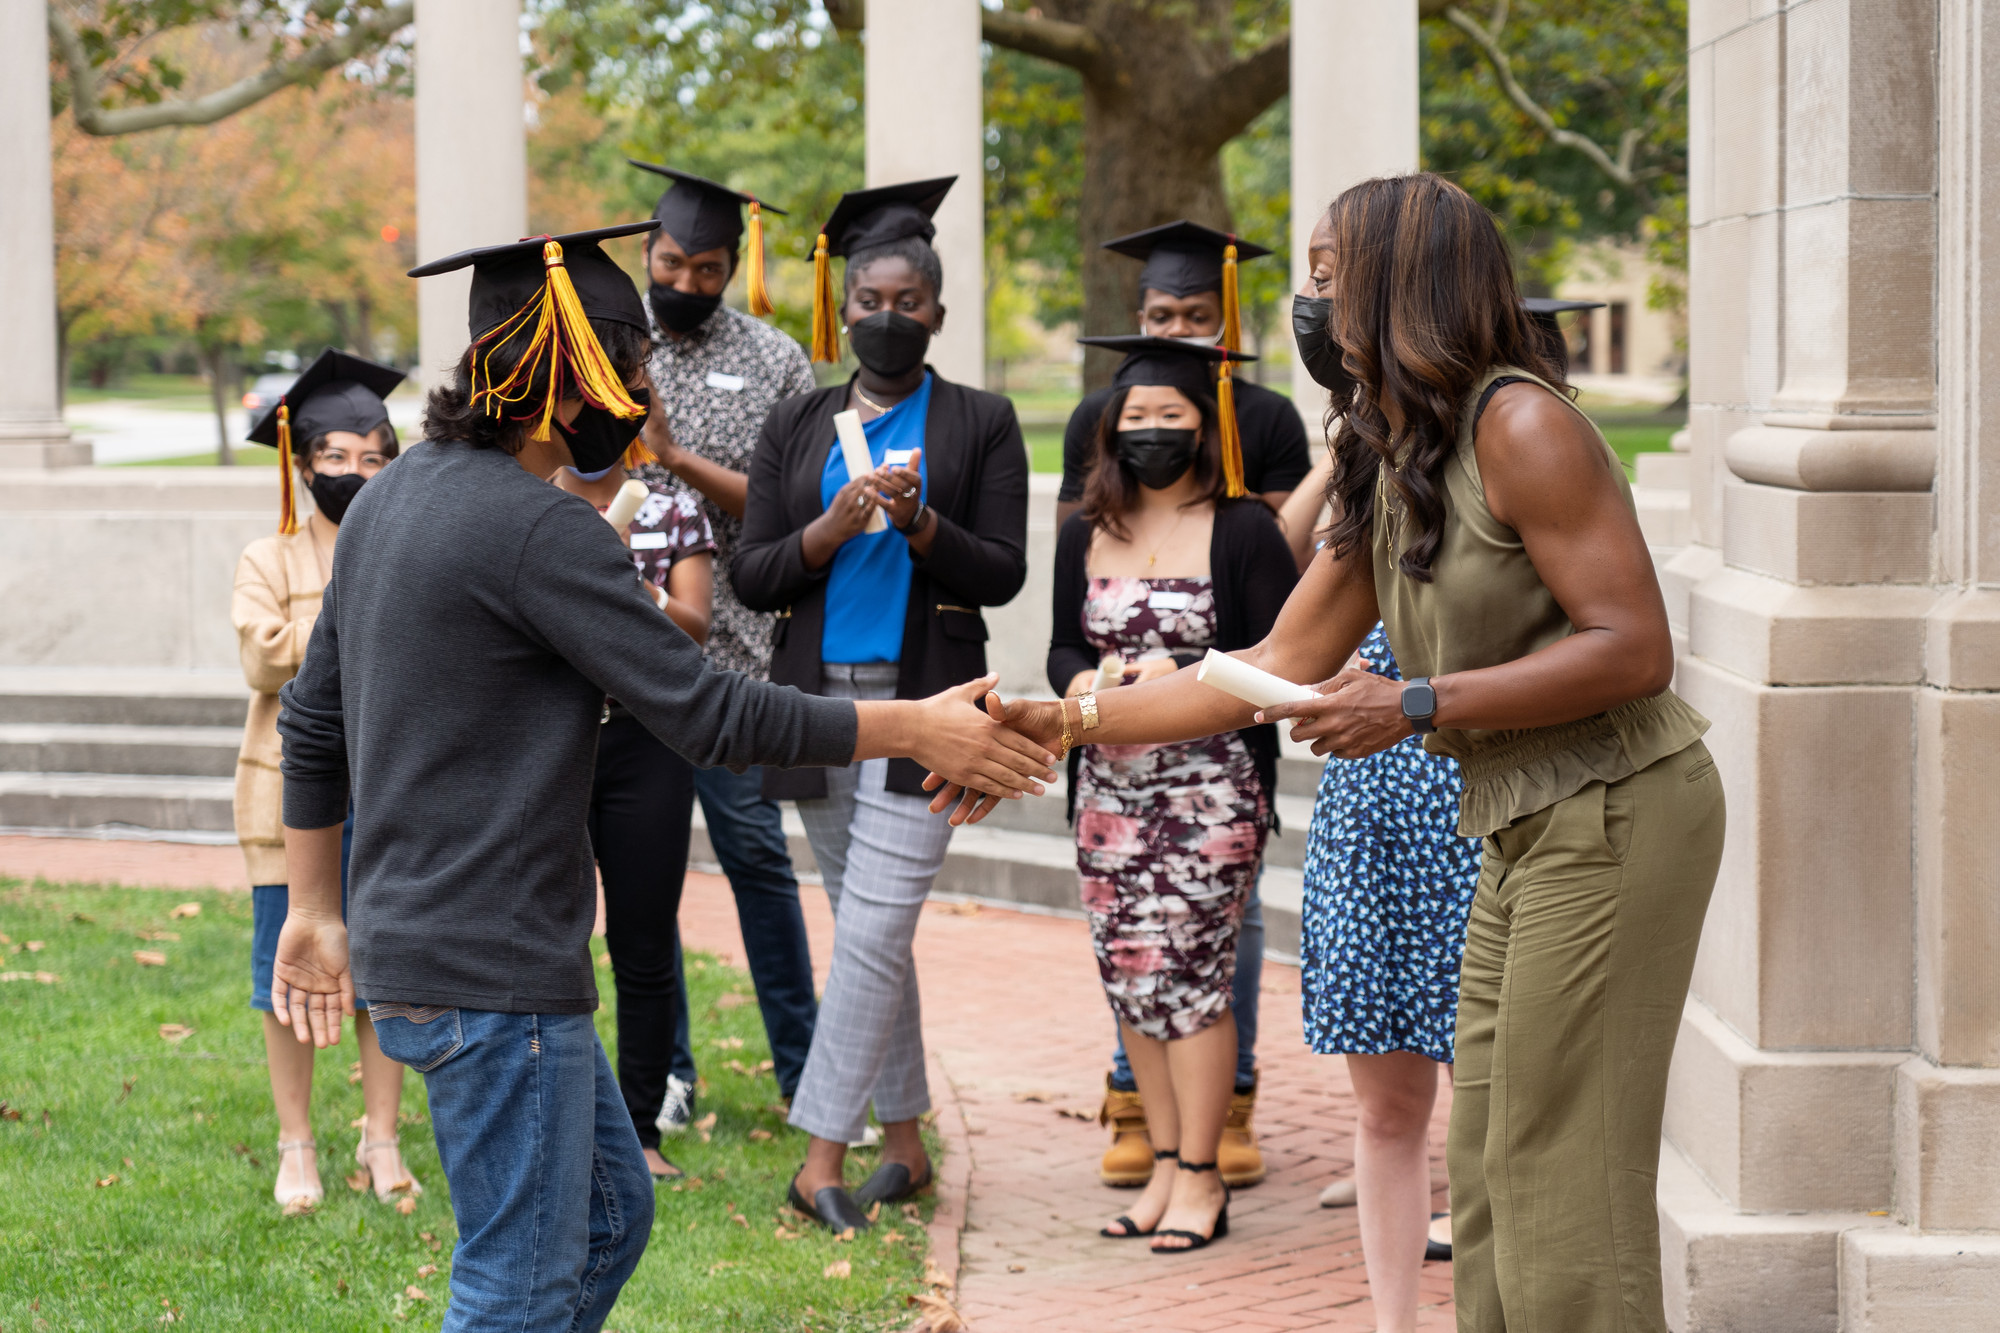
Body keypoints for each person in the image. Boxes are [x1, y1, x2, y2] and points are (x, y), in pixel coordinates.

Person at [937, 173, 1722, 1333]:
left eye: (1323, 274)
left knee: (1562, 1168)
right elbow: (1269, 658)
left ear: (1406, 284)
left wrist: (1413, 701)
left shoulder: (1520, 424)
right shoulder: (1392, 449)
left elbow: (1633, 647)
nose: (1304, 305)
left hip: (1612, 809)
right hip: (1513, 815)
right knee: (1493, 1153)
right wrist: (1069, 721)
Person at [270, 221, 1055, 1333]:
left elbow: (315, 726)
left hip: (427, 947)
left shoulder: (393, 500)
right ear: (563, 369)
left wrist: (316, 907)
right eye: (627, 363)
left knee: (607, 1215)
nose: (643, 387)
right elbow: (709, 712)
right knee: (515, 1288)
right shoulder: (544, 529)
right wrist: (912, 730)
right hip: (494, 972)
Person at [732, 177, 1030, 1234]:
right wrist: (831, 524)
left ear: (936, 311)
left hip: (931, 708)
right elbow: (755, 572)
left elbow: (1000, 572)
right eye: (867, 298)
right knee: (873, 929)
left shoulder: (981, 422)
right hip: (816, 709)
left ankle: (817, 1155)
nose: (885, 316)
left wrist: (917, 526)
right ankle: (902, 1145)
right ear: (840, 306)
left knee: (866, 931)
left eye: (906, 300)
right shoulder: (794, 423)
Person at [1058, 222, 1310, 1187]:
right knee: (1130, 967)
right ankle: (1160, 1153)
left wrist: (1177, 684)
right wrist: (1089, 685)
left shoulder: (1246, 520)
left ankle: (1205, 1161)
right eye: (1136, 415)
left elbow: (1275, 653)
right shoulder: (1092, 521)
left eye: (1172, 412)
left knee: (1198, 975)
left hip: (1210, 786)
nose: (1150, 428)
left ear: (1205, 421)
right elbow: (1063, 643)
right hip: (1110, 782)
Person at [626, 162, 822, 1129]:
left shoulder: (779, 359)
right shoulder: (611, 344)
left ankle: (804, 1075)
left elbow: (796, 505)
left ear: (734, 264)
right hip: (625, 663)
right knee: (641, 876)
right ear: (646, 254)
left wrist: (674, 459)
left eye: (707, 268)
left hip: (740, 655)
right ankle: (666, 1075)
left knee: (757, 862)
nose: (688, 282)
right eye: (672, 262)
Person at [231, 348, 420, 1214]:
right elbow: (264, 659)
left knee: (382, 972)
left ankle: (381, 1135)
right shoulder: (267, 560)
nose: (355, 472)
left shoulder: (412, 544)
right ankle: (295, 1140)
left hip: (392, 793)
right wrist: (356, 625)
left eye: (375, 457)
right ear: (301, 464)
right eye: (336, 457)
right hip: (287, 799)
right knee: (291, 972)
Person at [552, 441, 717, 1180]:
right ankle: (556, 1124)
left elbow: (696, 627)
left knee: (643, 943)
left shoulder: (672, 510)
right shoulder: (528, 505)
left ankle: (641, 1129)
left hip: (645, 745)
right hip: (550, 741)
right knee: (548, 940)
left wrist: (632, 582)